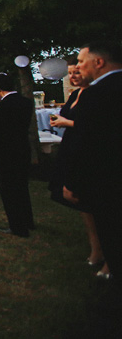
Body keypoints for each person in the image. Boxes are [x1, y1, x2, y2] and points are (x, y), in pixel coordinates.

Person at [66, 41, 122, 283]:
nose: (78, 67)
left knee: (111, 230)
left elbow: (89, 143)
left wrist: (75, 182)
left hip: (106, 179)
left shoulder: (97, 94)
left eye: (81, 61)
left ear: (98, 62)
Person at [49, 57, 109, 278]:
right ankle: (96, 248)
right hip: (72, 148)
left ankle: (109, 259)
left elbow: (97, 126)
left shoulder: (96, 95)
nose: (74, 76)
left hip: (89, 151)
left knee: (98, 204)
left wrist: (67, 123)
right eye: (71, 73)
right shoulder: (75, 95)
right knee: (83, 205)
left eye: (77, 72)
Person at [0, 73, 35, 238]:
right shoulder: (26, 103)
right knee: (22, 186)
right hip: (23, 148)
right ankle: (28, 220)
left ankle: (17, 226)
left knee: (9, 190)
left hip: (6, 152)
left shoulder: (1, 108)